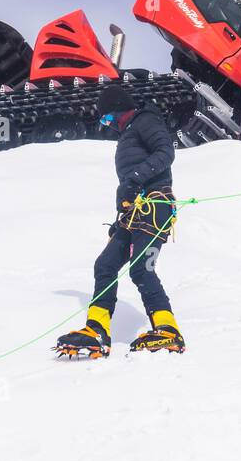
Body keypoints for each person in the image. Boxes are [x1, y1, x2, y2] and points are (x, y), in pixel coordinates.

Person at [56, 84, 184, 358]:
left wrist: (136, 178)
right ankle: (97, 330)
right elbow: (129, 183)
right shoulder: (127, 134)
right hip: (135, 212)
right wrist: (121, 213)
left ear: (118, 109)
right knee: (105, 264)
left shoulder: (145, 120)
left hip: (156, 205)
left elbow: (166, 152)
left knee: (140, 269)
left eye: (106, 118)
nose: (107, 125)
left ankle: (168, 329)